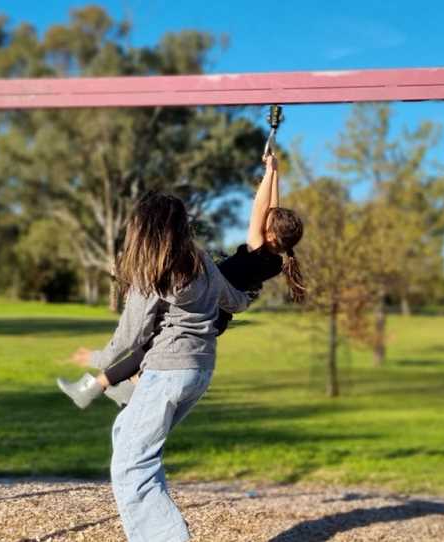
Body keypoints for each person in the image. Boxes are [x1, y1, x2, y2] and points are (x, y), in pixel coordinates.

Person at [58, 153, 304, 409]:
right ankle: (121, 389)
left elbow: (260, 210)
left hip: (202, 306)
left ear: (271, 234)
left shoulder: (257, 249)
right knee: (151, 346)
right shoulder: (274, 260)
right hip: (216, 313)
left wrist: (268, 174)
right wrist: (274, 171)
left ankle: (97, 388)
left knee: (150, 345)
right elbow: (271, 212)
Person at [79, 192, 250, 541]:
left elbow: (130, 336)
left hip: (166, 373)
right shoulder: (200, 260)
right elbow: (234, 301)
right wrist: (252, 290)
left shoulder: (153, 269)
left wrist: (97, 359)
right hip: (198, 371)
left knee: (131, 466)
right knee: (126, 432)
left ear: (143, 229)